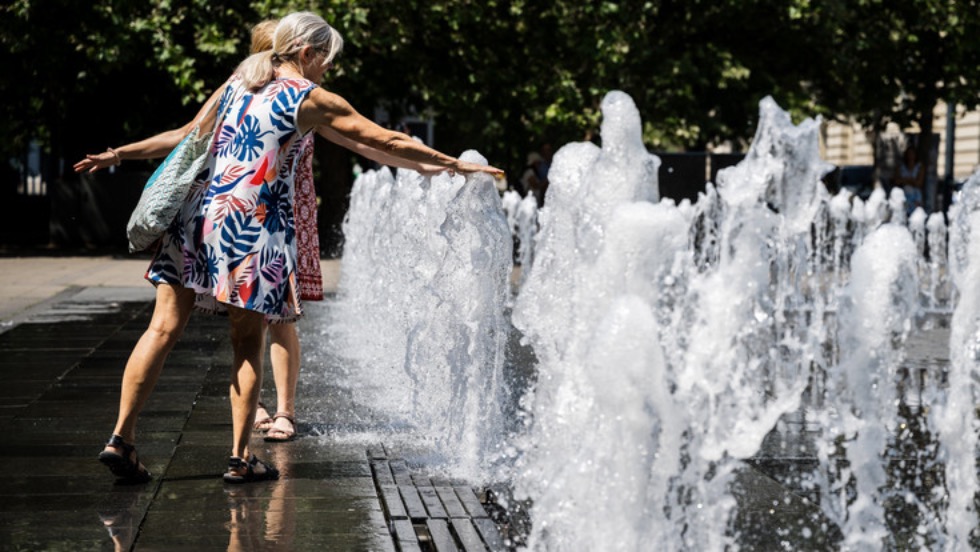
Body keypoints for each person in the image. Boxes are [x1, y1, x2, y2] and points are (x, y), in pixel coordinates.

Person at [74, 11, 503, 484]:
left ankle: (121, 438)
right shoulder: (308, 96)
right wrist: (455, 165)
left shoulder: (241, 78)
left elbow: (186, 136)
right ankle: (240, 458)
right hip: (252, 227)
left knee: (160, 330)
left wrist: (119, 153)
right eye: (327, 60)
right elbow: (386, 138)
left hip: (196, 218)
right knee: (247, 341)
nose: (328, 70)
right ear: (307, 52)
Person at [894, 145, 925, 214]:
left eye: (912, 154)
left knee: (916, 215)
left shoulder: (919, 167)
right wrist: (911, 180)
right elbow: (896, 181)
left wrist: (905, 180)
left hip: (916, 196)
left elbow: (919, 183)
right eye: (909, 154)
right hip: (904, 195)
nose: (910, 156)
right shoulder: (901, 167)